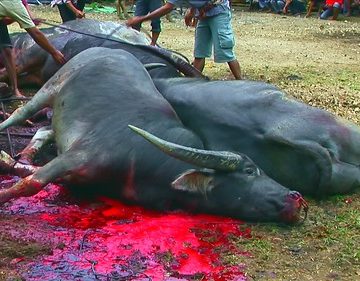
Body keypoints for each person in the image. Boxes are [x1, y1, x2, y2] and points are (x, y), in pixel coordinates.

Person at [126, 0, 242, 79]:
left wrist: (141, 19)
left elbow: (168, 7)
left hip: (218, 11)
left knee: (225, 50)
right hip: (202, 14)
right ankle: (193, 83)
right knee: (199, 52)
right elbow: (171, 5)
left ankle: (241, 82)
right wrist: (192, 11)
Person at [0, 0, 66, 98]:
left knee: (7, 51)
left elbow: (5, 19)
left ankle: (15, 90)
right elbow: (36, 34)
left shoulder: (15, 3)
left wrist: (22, 18)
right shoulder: (13, 3)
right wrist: (54, 52)